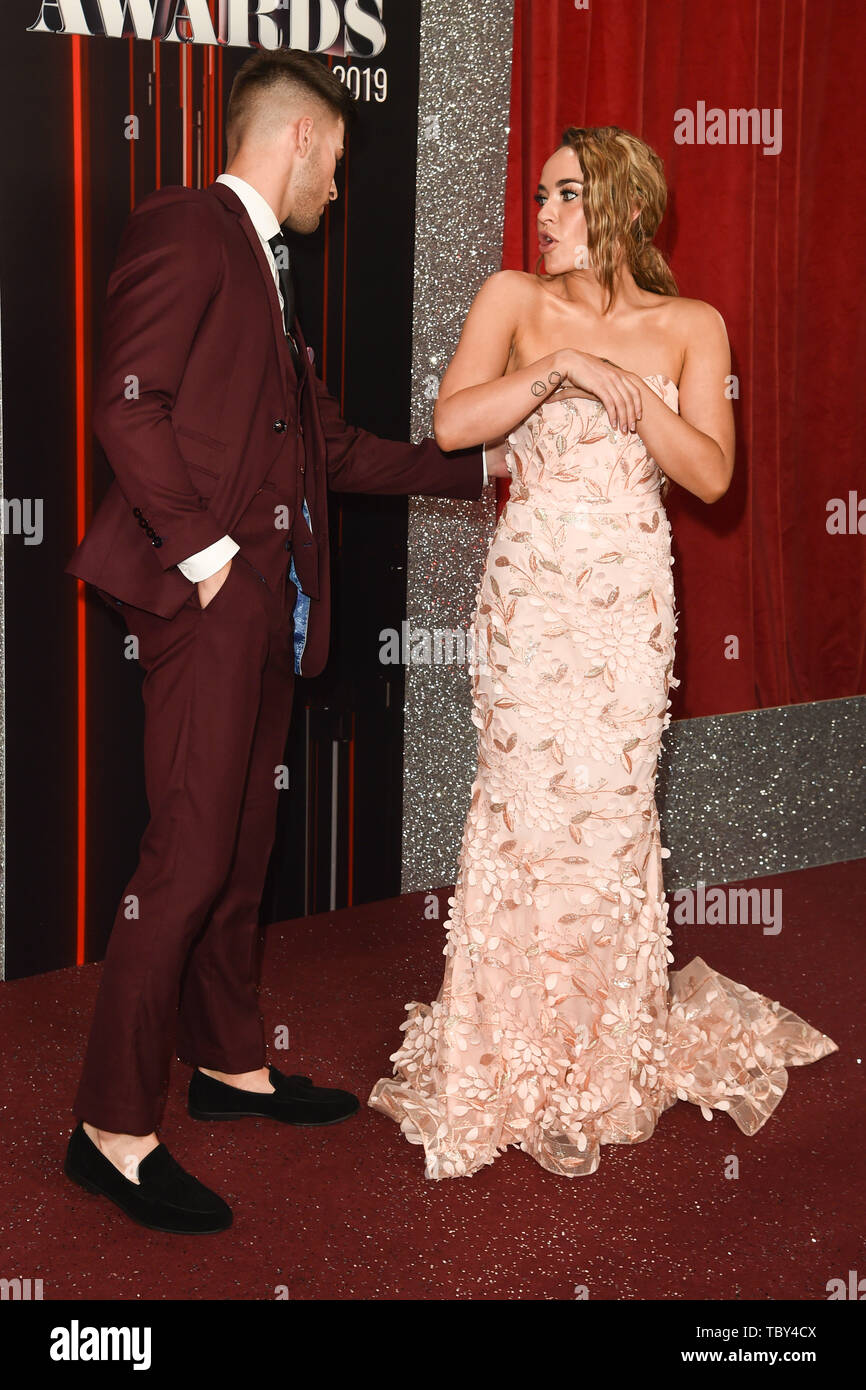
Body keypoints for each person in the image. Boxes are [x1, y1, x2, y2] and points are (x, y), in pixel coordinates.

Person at [63, 48, 509, 1234]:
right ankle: (109, 1126)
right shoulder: (191, 227)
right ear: (300, 139)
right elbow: (125, 402)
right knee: (188, 859)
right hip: (210, 606)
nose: (341, 191)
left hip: (265, 613)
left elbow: (335, 450)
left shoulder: (266, 273)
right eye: (339, 163)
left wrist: (479, 470)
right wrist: (210, 563)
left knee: (239, 850)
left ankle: (225, 1066)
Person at [368, 125, 838, 1179]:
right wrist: (566, 369)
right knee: (526, 810)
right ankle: (511, 1050)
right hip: (531, 599)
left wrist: (640, 399)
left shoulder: (691, 324)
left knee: (612, 816)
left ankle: (593, 1057)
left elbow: (711, 478)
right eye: (539, 195)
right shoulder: (511, 300)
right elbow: (450, 427)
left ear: (621, 204)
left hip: (628, 605)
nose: (541, 214)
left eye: (563, 195)